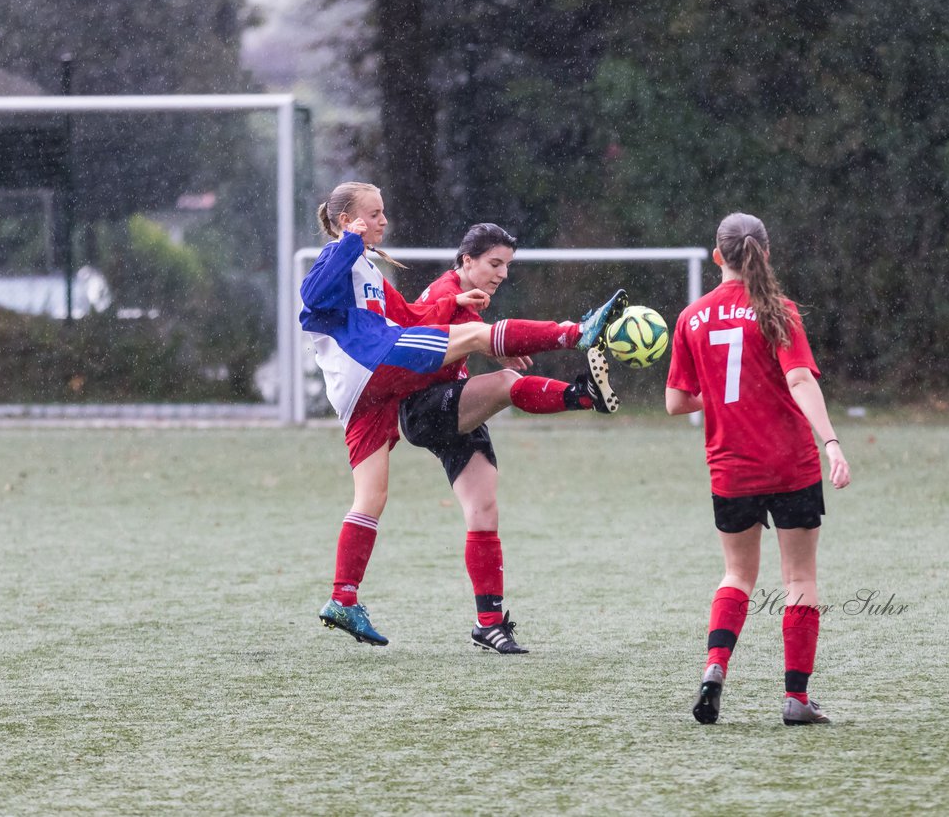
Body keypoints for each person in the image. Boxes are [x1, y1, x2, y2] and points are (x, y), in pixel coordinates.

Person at [301, 182, 626, 647]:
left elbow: (410, 317)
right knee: (480, 340)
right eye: (372, 214)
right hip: (371, 362)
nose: (382, 221)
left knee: (371, 498)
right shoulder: (344, 255)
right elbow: (311, 295)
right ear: (345, 220)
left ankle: (343, 599)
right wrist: (349, 240)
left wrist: (450, 305)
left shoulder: (367, 266)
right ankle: (577, 333)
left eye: (382, 213)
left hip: (367, 394)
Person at [664, 212, 850, 726]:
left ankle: (714, 668)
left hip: (731, 466)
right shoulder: (779, 310)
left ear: (717, 256)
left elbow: (676, 402)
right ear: (764, 254)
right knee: (799, 578)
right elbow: (800, 381)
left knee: (737, 575)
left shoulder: (691, 317)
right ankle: (796, 699)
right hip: (790, 463)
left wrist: (727, 397)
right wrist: (831, 441)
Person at [398, 223, 614, 654]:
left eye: (507, 266)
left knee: (483, 511)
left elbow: (462, 336)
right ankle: (578, 350)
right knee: (503, 382)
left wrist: (490, 345)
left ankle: (489, 624)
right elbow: (450, 330)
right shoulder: (446, 291)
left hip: (450, 407)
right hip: (425, 408)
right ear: (466, 261)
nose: (502, 274)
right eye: (495, 264)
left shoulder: (462, 301)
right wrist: (504, 343)